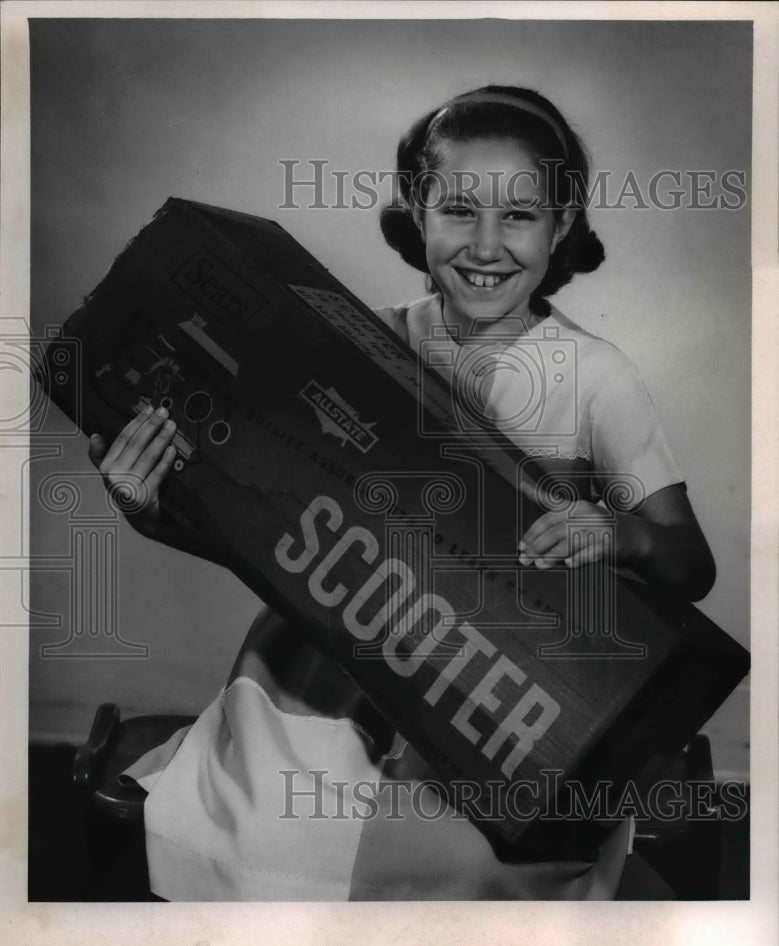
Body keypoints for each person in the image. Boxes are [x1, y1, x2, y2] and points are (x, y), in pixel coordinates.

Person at [88, 85, 715, 901]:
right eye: (458, 210)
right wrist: (146, 506)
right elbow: (259, 524)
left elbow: (685, 561)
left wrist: (615, 533)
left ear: (560, 227)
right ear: (416, 213)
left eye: (520, 217)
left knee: (457, 867)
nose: (486, 245)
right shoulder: (358, 338)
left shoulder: (595, 376)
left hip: (498, 687)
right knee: (268, 833)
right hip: (324, 666)